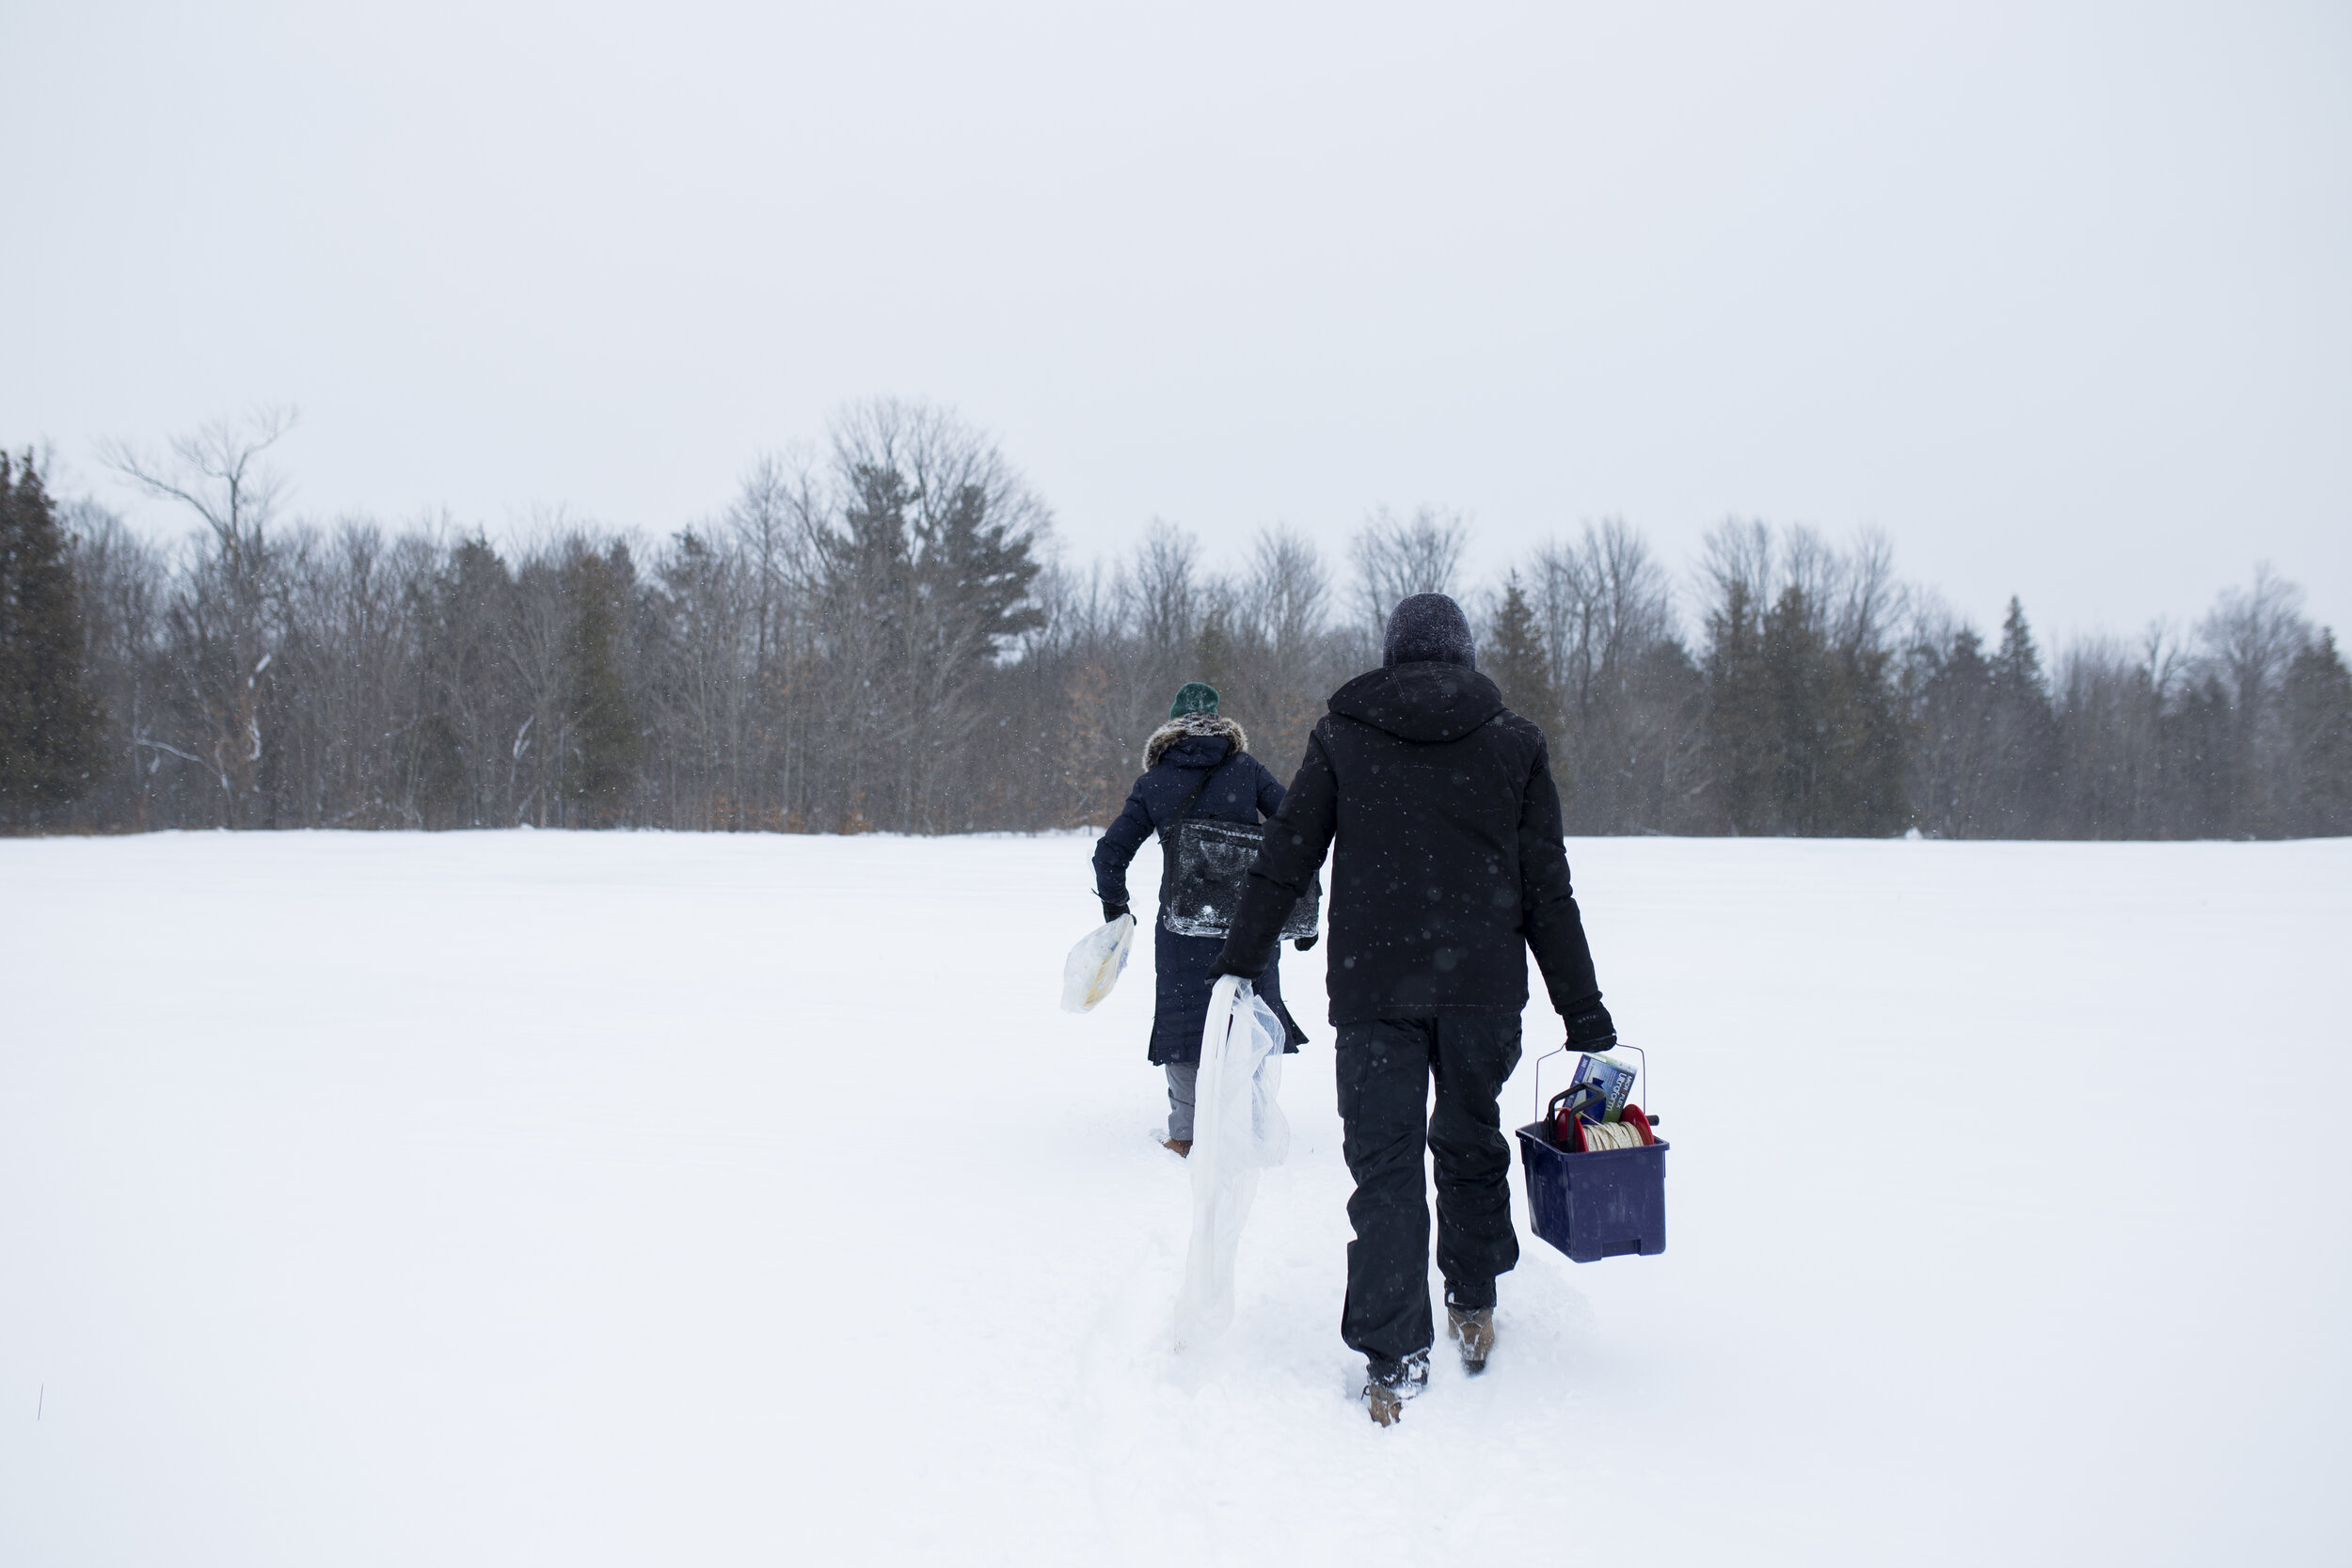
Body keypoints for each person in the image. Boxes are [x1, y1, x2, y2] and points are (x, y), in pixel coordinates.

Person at [1209, 594, 1615, 1427]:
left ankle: (1395, 1354)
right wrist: (1584, 1009)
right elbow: (1550, 891)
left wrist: (1238, 960)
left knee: (1385, 1166)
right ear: (1464, 656)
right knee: (1469, 1136)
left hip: (1373, 988)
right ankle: (1471, 1298)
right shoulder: (1514, 743)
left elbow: (1285, 859)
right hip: (1481, 990)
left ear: (1393, 656)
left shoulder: (1344, 735)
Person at [1093, 682, 1312, 1155]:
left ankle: (1185, 1135)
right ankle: (1252, 1129)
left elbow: (1110, 854)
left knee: (1185, 1026)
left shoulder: (1154, 782)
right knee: (1250, 1019)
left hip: (1181, 926)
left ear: (1170, 728)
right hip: (1251, 924)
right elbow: (1299, 829)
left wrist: (1117, 910)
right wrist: (1305, 909)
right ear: (1221, 724)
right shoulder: (1247, 770)